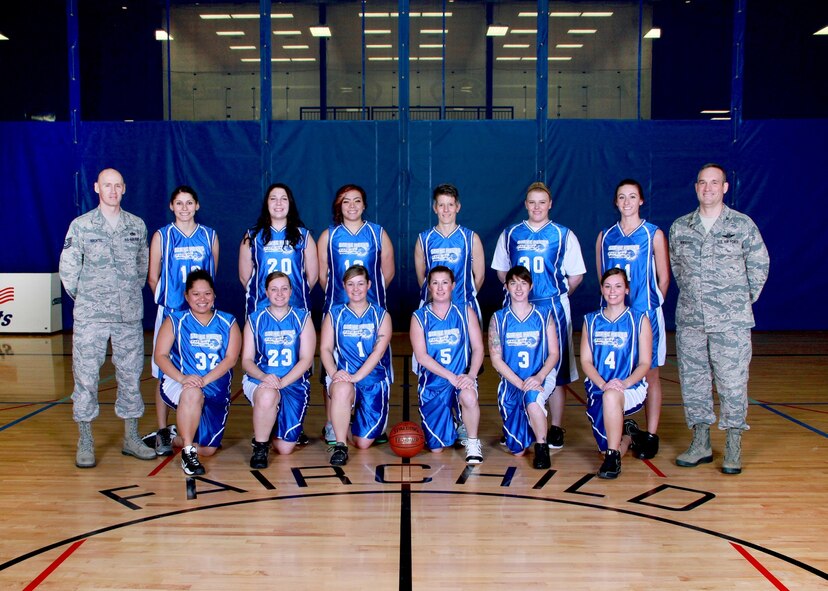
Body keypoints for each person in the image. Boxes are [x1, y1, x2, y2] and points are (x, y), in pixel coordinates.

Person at [670, 163, 769, 475]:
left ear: (725, 187)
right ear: (696, 187)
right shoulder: (681, 227)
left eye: (715, 183)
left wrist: (737, 301)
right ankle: (700, 442)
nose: (708, 188)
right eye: (702, 182)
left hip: (731, 322)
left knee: (733, 382)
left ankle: (733, 444)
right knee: (694, 382)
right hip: (691, 320)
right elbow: (677, 268)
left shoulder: (742, 225)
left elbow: (759, 265)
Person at [59, 168, 156, 468]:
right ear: (96, 188)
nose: (112, 191)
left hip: (127, 315)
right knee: (86, 378)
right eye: (106, 186)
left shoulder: (136, 225)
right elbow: (69, 270)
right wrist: (90, 298)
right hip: (91, 316)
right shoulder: (82, 225)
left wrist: (124, 293)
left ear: (124, 188)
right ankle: (85, 439)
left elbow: (143, 266)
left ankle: (130, 437)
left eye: (117, 186)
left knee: (130, 376)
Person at [491, 181, 586, 449]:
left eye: (542, 202)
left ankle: (555, 427)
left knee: (557, 370)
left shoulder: (563, 234)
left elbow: (576, 275)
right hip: (517, 308)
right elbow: (502, 271)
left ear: (550, 204)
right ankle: (515, 423)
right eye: (532, 202)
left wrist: (557, 292)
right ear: (525, 205)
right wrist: (518, 293)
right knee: (513, 366)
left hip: (552, 306)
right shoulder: (511, 234)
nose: (536, 207)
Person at [595, 179, 669, 459]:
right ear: (616, 202)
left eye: (632, 196)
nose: (627, 202)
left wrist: (650, 306)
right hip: (616, 317)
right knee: (613, 374)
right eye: (621, 197)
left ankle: (650, 434)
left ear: (641, 201)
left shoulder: (653, 234)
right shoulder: (605, 236)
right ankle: (617, 426)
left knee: (650, 373)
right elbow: (603, 277)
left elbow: (663, 278)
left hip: (644, 313)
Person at [318, 184, 395, 444]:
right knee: (332, 367)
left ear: (364, 205)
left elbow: (388, 273)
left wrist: (366, 297)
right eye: (346, 201)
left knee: (376, 364)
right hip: (339, 310)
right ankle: (333, 423)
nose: (352, 206)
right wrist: (345, 300)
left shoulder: (377, 233)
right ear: (339, 207)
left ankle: (370, 420)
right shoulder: (329, 236)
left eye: (357, 201)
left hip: (370, 311)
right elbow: (323, 276)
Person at [147, 185, 219, 457]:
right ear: (171, 206)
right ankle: (164, 430)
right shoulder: (162, 236)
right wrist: (172, 305)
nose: (185, 208)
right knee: (163, 370)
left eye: (189, 203)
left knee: (201, 369)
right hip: (172, 313)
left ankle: (196, 425)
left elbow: (210, 276)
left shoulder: (209, 236)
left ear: (197, 206)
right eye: (179, 203)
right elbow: (153, 277)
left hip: (200, 315)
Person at [153, 270, 241, 475]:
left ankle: (173, 437)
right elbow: (161, 356)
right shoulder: (175, 320)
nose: (202, 299)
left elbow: (231, 359)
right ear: (186, 296)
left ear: (214, 295)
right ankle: (188, 453)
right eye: (196, 294)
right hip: (182, 382)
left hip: (214, 384)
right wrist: (183, 378)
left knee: (209, 450)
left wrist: (204, 380)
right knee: (192, 394)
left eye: (207, 293)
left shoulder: (228, 321)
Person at [580, 268, 652, 479]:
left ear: (627, 290)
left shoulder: (639, 320)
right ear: (602, 289)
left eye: (618, 286)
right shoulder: (591, 320)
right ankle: (627, 437)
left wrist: (624, 383)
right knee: (602, 447)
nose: (613, 291)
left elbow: (645, 362)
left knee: (612, 396)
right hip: (599, 387)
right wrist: (603, 384)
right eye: (608, 286)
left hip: (630, 387)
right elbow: (585, 361)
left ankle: (613, 459)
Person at [319, 265, 393, 467]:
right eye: (351, 284)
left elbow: (378, 352)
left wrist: (357, 377)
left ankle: (346, 420)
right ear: (344, 286)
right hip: (344, 376)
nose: (356, 288)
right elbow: (325, 348)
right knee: (342, 389)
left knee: (362, 443)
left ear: (369, 285)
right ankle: (340, 445)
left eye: (360, 283)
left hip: (374, 380)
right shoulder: (334, 315)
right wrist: (335, 374)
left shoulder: (382, 315)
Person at [410, 266, 484, 464]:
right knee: (437, 449)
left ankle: (473, 441)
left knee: (468, 395)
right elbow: (422, 356)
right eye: (435, 283)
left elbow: (478, 348)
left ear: (453, 285)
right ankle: (451, 422)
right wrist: (450, 376)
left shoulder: (465, 312)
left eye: (444, 282)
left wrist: (471, 376)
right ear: (429, 287)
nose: (440, 288)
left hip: (461, 378)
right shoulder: (419, 317)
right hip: (432, 384)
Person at [241, 272, 316, 468]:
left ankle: (269, 424)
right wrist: (265, 377)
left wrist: (283, 382)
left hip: (293, 381)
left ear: (291, 291)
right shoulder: (255, 319)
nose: (280, 293)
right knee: (268, 395)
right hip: (261, 379)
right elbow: (247, 361)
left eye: (284, 288)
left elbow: (306, 360)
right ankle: (260, 445)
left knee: (284, 448)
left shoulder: (303, 318)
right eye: (274, 289)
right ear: (266, 292)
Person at [488, 266, 560, 470]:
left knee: (532, 400)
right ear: (506, 287)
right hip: (513, 381)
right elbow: (496, 359)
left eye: (523, 283)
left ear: (531, 286)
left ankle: (542, 446)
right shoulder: (498, 318)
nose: (518, 288)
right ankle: (530, 426)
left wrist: (538, 377)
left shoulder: (544, 315)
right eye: (513, 283)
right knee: (517, 450)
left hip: (540, 375)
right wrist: (520, 383)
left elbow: (554, 354)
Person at [239, 183, 318, 315]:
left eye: (284, 198)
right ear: (266, 204)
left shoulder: (303, 235)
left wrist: (296, 292)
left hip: (296, 304)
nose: (278, 203)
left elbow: (313, 276)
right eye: (273, 198)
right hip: (261, 304)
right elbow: (244, 278)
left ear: (290, 203)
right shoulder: (252, 235)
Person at [414, 183, 485, 317]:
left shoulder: (471, 238)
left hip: (464, 306)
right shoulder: (424, 239)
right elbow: (421, 278)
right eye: (441, 205)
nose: (446, 210)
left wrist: (465, 297)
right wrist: (437, 297)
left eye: (450, 205)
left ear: (457, 207)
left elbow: (480, 276)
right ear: (435, 208)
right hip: (433, 307)